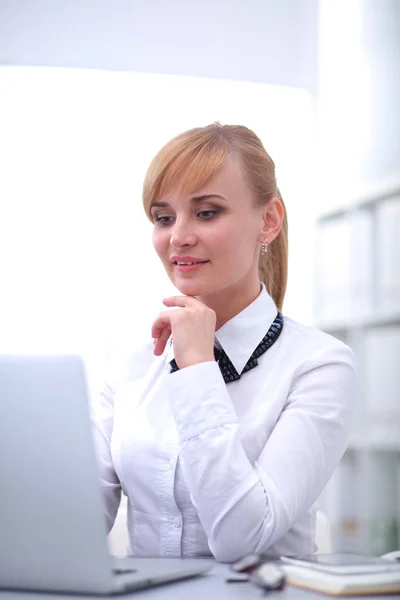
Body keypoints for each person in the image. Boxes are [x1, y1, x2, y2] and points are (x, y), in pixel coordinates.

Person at [91, 123, 356, 562]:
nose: (178, 237)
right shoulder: (129, 366)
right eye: (163, 217)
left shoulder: (321, 365)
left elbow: (241, 538)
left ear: (267, 221)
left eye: (207, 212)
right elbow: (71, 526)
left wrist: (196, 369)